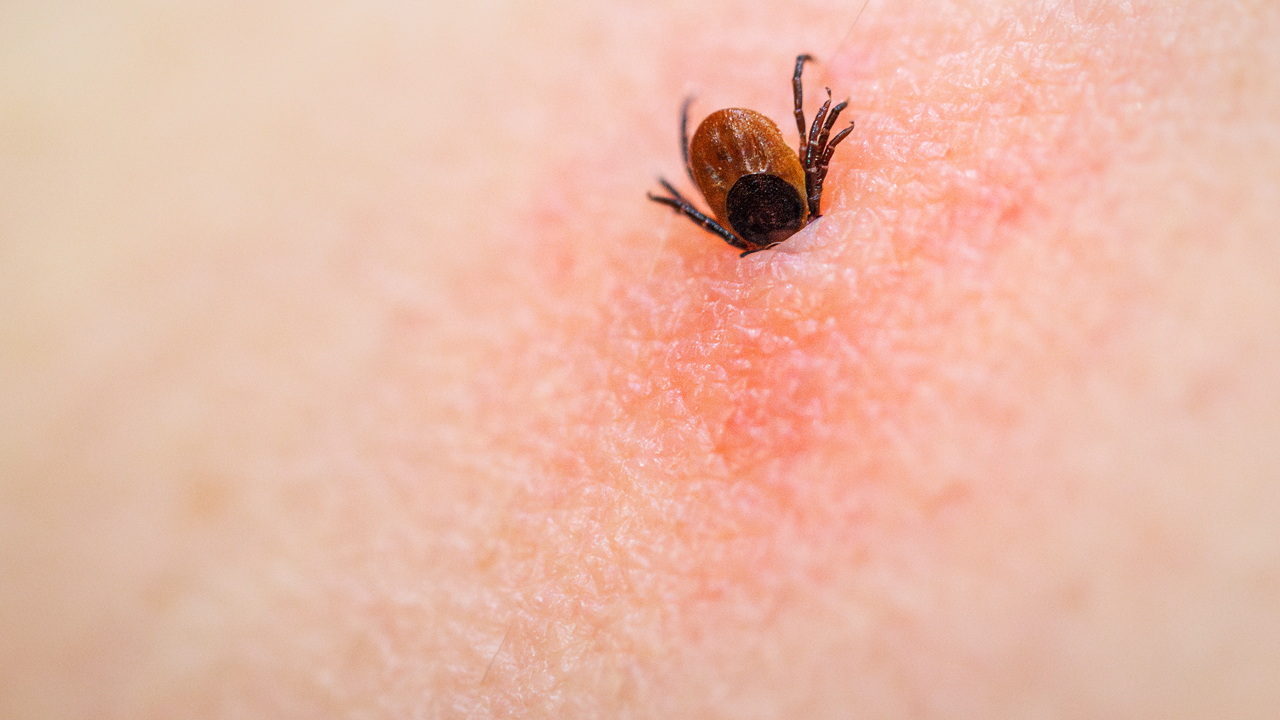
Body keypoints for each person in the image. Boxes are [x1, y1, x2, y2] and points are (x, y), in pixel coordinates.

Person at [4, 1, 1278, 716]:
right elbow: (780, 148)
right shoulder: (767, 185)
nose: (767, 217)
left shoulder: (736, 197)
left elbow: (733, 166)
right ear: (745, 202)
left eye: (761, 202)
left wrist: (748, 199)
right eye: (751, 210)